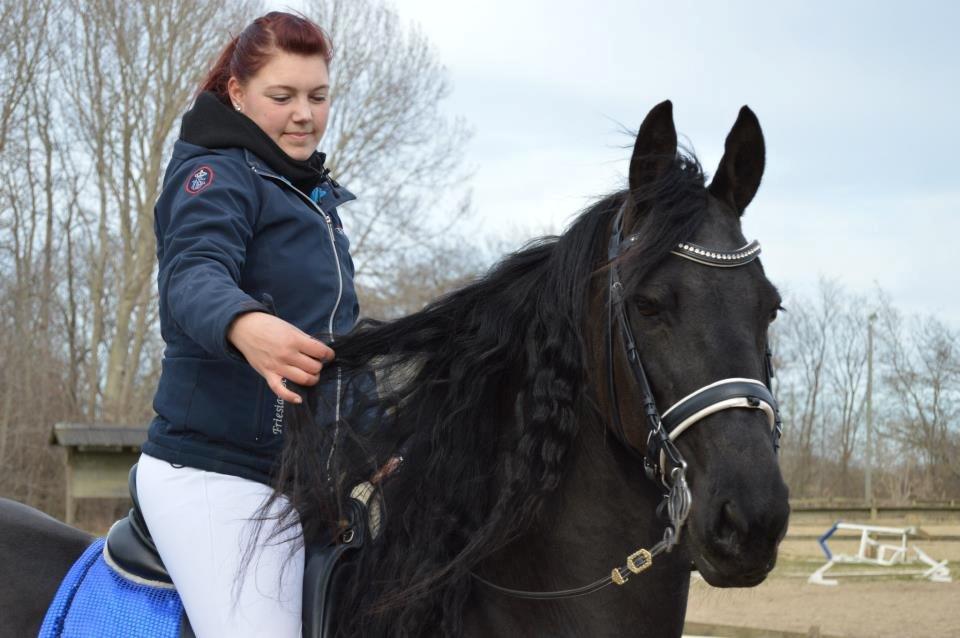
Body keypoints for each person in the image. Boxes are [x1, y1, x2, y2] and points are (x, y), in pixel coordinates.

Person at [136, 12, 358, 637]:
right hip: (212, 473)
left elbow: (334, 349)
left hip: (299, 476)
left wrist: (376, 436)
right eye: (281, 96)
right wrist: (245, 323)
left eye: (318, 97)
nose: (304, 115)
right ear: (237, 94)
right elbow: (192, 275)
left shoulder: (310, 198)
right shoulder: (214, 172)